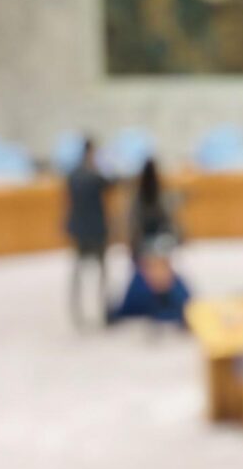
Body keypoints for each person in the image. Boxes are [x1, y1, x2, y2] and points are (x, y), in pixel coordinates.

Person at [62, 138, 111, 328]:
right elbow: (111, 184)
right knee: (101, 272)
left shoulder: (73, 174)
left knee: (79, 272)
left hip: (79, 230)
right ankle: (102, 311)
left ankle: (78, 313)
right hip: (96, 229)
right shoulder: (94, 174)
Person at [108, 243, 191, 329]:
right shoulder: (138, 286)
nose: (158, 272)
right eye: (152, 266)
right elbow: (122, 317)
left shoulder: (176, 285)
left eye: (162, 265)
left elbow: (189, 311)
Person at [127, 155, 180, 258]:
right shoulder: (157, 192)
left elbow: (133, 219)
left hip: (150, 237)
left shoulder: (143, 193)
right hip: (154, 237)